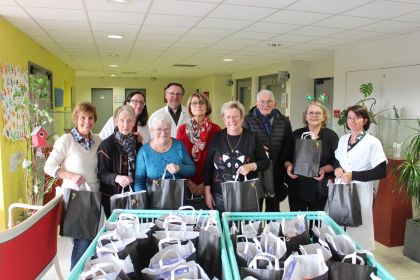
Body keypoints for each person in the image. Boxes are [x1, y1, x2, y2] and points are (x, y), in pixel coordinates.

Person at [44, 102, 102, 270]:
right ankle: (74, 275)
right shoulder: (67, 140)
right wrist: (69, 175)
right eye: (82, 117)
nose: (86, 121)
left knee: (92, 244)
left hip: (94, 198)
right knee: (82, 243)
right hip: (76, 198)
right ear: (76, 119)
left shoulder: (97, 140)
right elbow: (49, 167)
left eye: (90, 118)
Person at [334, 104, 387, 250]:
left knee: (359, 232)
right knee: (338, 227)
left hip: (360, 191)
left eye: (357, 117)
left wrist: (354, 175)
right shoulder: (343, 139)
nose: (353, 121)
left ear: (364, 120)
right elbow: (337, 159)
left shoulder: (373, 142)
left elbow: (381, 171)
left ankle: (360, 261)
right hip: (341, 189)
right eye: (350, 118)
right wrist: (337, 168)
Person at [203, 101, 270, 212]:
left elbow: (265, 162)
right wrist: (207, 192)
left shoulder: (252, 137)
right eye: (228, 117)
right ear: (224, 119)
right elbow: (208, 167)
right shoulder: (216, 138)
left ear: (242, 118)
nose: (232, 120)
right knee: (223, 228)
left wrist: (251, 166)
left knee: (246, 228)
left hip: (247, 193)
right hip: (220, 194)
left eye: (235, 116)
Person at [243, 89, 294, 212]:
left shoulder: (284, 121)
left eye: (269, 101)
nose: (265, 105)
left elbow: (289, 145)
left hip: (277, 172)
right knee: (255, 208)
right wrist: (258, 149)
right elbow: (244, 145)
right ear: (256, 103)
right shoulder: (247, 120)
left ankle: (272, 231)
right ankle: (255, 231)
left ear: (274, 103)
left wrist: (285, 165)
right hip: (255, 172)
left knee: (274, 209)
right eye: (262, 101)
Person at [284, 101, 339, 211]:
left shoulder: (331, 136)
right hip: (298, 185)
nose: (314, 115)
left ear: (323, 117)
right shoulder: (296, 135)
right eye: (311, 113)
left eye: (318, 113)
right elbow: (285, 158)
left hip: (320, 186)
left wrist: (323, 169)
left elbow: (336, 161)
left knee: (316, 224)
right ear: (306, 116)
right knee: (298, 224)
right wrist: (289, 166)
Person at [176, 93, 221, 208]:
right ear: (190, 107)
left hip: (209, 182)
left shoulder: (216, 129)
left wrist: (205, 184)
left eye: (201, 102)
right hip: (187, 180)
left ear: (207, 107)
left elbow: (218, 161)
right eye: (194, 103)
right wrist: (188, 182)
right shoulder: (182, 129)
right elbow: (178, 157)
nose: (198, 105)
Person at [134, 111, 196, 192]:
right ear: (152, 130)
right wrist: (143, 201)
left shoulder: (179, 146)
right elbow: (139, 182)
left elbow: (192, 170)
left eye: (167, 129)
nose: (163, 133)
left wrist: (179, 168)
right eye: (159, 129)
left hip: (178, 197)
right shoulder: (144, 152)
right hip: (153, 199)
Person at [97, 105, 141, 217]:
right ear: (116, 121)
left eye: (129, 120)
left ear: (134, 122)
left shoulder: (138, 144)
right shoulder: (106, 145)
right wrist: (117, 178)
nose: (125, 125)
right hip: (113, 197)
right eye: (122, 120)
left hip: (134, 195)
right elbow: (101, 173)